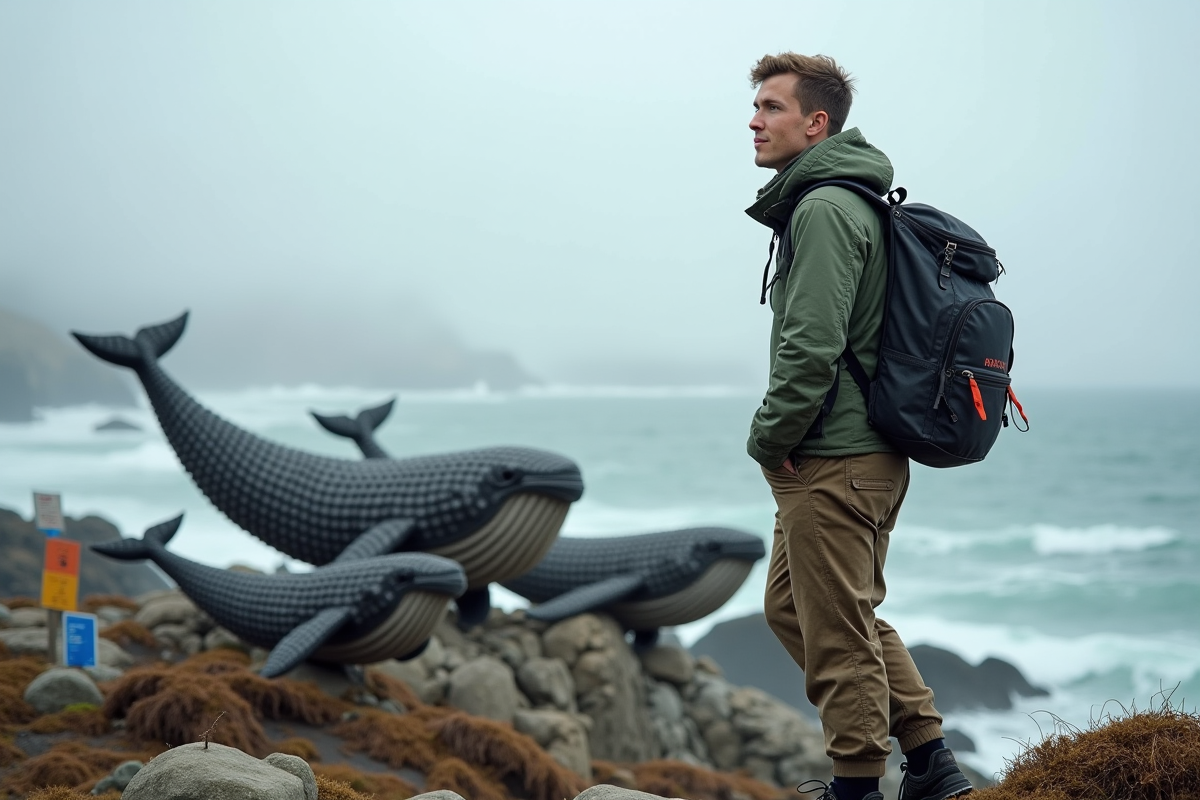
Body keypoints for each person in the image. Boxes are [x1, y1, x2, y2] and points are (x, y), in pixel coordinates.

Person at [744, 53, 973, 800]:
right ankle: (933, 763)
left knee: (839, 632)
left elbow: (810, 347)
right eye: (755, 106)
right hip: (857, 454)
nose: (754, 120)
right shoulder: (847, 200)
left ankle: (856, 786)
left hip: (834, 457)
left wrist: (767, 440)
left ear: (817, 123)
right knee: (797, 609)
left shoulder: (823, 209)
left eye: (772, 107)